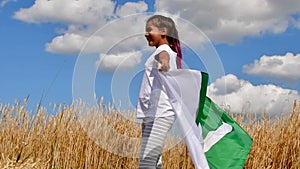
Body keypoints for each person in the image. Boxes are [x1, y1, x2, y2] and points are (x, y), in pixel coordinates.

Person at [136, 14, 183, 169]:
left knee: (146, 162)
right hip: (152, 114)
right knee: (155, 162)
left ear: (163, 31)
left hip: (160, 114)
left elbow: (163, 56)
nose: (146, 33)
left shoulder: (164, 51)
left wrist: (164, 62)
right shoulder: (163, 51)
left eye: (150, 29)